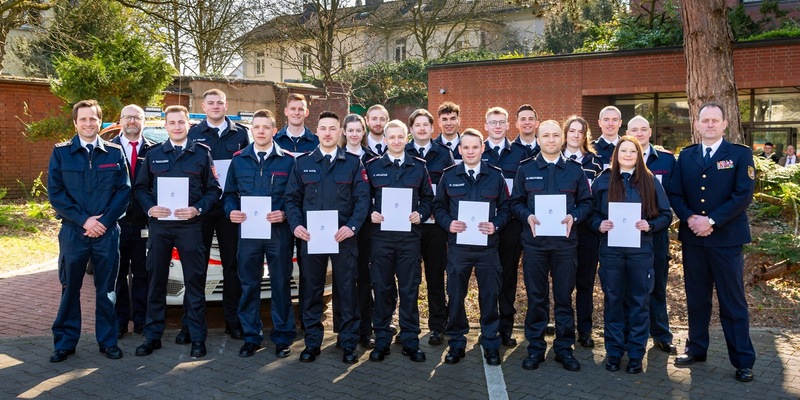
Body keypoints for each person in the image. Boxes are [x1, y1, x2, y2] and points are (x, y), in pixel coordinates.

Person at [668, 102, 757, 383]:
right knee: (696, 299)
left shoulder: (740, 155)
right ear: (696, 125)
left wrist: (712, 221)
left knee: (732, 302)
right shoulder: (687, 155)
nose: (709, 124)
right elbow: (675, 193)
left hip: (727, 240)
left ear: (724, 124)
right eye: (704, 120)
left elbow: (743, 195)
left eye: (714, 120)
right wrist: (691, 219)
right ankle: (696, 348)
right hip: (694, 239)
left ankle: (743, 360)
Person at [134, 105, 221, 359]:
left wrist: (198, 209)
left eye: (181, 122)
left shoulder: (201, 154)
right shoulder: (153, 154)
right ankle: (152, 337)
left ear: (188, 125)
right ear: (165, 125)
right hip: (160, 227)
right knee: (156, 281)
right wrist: (151, 208)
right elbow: (140, 188)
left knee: (195, 283)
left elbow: (214, 190)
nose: (177, 126)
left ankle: (197, 337)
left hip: (190, 227)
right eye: (172, 122)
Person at [47, 99, 130, 362]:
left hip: (107, 231)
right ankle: (65, 343)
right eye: (83, 119)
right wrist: (85, 221)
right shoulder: (61, 153)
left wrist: (103, 222)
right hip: (74, 232)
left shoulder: (115, 153)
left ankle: (108, 341)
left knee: (106, 288)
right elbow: (57, 194)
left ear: (100, 121)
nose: (88, 123)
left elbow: (124, 192)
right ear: (75, 122)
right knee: (70, 286)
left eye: (93, 118)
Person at [285, 111, 370, 364]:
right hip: (312, 238)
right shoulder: (302, 163)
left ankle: (348, 342)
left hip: (342, 237)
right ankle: (312, 342)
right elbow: (291, 199)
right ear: (317, 131)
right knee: (311, 290)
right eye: (323, 128)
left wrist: (352, 227)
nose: (328, 133)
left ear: (340, 132)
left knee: (346, 290)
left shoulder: (354, 164)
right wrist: (296, 225)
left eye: (333, 128)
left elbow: (362, 200)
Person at [508, 120, 593, 372]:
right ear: (538, 137)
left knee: (564, 298)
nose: (552, 140)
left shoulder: (575, 171)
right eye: (546, 135)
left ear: (562, 138)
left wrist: (574, 217)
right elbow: (516, 202)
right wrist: (527, 216)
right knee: (536, 298)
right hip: (534, 245)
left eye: (556, 135)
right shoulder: (526, 169)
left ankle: (564, 349)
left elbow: (587, 202)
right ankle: (535, 348)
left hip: (565, 245)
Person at [590, 136, 672, 374]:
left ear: (639, 155)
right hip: (611, 252)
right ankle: (614, 352)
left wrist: (650, 225)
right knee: (613, 301)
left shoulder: (650, 181)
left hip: (640, 252)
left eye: (632, 151)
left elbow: (666, 215)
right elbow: (590, 212)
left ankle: (636, 354)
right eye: (623, 151)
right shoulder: (603, 180)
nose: (627, 155)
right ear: (615, 155)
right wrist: (599, 224)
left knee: (639, 302)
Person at [433, 128, 511, 366]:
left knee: (490, 296)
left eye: (474, 147)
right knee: (456, 296)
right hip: (459, 247)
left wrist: (496, 225)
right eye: (465, 147)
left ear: (482, 149)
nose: (470, 151)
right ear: (459, 150)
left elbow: (507, 208)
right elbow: (438, 208)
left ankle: (490, 342)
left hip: (488, 247)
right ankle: (456, 343)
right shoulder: (449, 175)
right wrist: (449, 224)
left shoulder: (496, 176)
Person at [223, 109, 297, 358]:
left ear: (275, 130)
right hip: (249, 232)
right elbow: (230, 194)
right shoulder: (238, 160)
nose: (261, 131)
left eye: (266, 127)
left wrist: (285, 213)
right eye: (257, 127)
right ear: (251, 130)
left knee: (280, 284)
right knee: (249, 284)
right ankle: (251, 336)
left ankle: (283, 336)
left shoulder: (288, 160)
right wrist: (232, 211)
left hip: (278, 232)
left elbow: (295, 197)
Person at [183, 88, 251, 343]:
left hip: (230, 211)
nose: (215, 106)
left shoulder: (241, 134)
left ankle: (233, 321)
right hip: (201, 210)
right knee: (196, 268)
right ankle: (190, 324)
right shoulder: (193, 133)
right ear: (203, 105)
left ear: (226, 105)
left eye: (219, 103)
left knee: (232, 266)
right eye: (210, 102)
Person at [366, 120, 434, 362]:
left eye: (400, 137)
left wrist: (421, 213)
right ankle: (382, 339)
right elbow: (362, 199)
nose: (396, 141)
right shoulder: (372, 167)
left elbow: (428, 198)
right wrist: (369, 213)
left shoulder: (418, 167)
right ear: (384, 139)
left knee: (409, 289)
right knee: (382, 289)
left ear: (406, 138)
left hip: (409, 239)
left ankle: (410, 340)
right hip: (381, 239)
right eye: (391, 137)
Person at [627, 115, 678, 355]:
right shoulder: (621, 157)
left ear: (650, 132)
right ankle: (630, 333)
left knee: (657, 284)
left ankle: (660, 334)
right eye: (634, 129)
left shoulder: (667, 160)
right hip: (626, 233)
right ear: (627, 133)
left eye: (643, 129)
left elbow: (675, 195)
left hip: (655, 233)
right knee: (629, 285)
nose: (639, 133)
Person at [405, 108, 454, 346]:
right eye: (417, 125)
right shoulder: (402, 151)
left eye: (426, 125)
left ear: (432, 128)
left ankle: (437, 326)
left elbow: (452, 187)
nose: (422, 129)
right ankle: (408, 326)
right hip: (409, 225)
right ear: (411, 129)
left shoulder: (444, 154)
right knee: (409, 279)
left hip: (435, 227)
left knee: (435, 277)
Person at [482, 106, 530, 347]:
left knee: (508, 277)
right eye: (493, 122)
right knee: (486, 279)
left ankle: (506, 328)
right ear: (486, 126)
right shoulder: (477, 150)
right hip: (482, 226)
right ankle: (486, 328)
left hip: (511, 225)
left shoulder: (521, 153)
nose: (498, 126)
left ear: (508, 125)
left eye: (502, 122)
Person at [110, 104, 154, 339]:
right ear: (120, 121)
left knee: (142, 274)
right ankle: (119, 322)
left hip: (144, 223)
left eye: (137, 117)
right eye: (128, 117)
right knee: (117, 274)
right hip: (115, 223)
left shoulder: (154, 150)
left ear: (143, 121)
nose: (132, 121)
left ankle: (140, 320)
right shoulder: (109, 149)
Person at [561, 115, 603, 348]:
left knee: (585, 282)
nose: (576, 135)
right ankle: (563, 328)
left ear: (585, 135)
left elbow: (595, 199)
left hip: (587, 231)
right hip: (560, 231)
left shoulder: (595, 163)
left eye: (580, 132)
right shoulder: (555, 160)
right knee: (563, 282)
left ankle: (584, 330)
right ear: (565, 134)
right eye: (572, 131)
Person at [339, 113, 379, 348]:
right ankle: (343, 331)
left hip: (367, 228)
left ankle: (366, 330)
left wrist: (374, 210)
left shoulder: (374, 160)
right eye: (350, 130)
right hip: (342, 227)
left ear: (363, 132)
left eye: (358, 130)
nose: (354, 134)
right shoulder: (337, 157)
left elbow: (378, 192)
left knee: (364, 278)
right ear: (344, 132)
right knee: (343, 279)